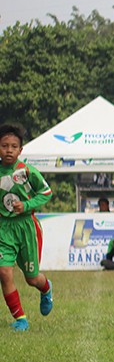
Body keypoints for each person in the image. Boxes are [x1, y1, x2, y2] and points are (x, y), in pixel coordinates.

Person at [0, 124, 56, 332]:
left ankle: (46, 287)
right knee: (4, 272)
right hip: (4, 228)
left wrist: (26, 205)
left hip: (26, 227)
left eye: (13, 146)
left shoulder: (27, 171)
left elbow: (46, 192)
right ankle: (20, 318)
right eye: (4, 145)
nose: (8, 150)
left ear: (20, 150)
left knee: (32, 278)